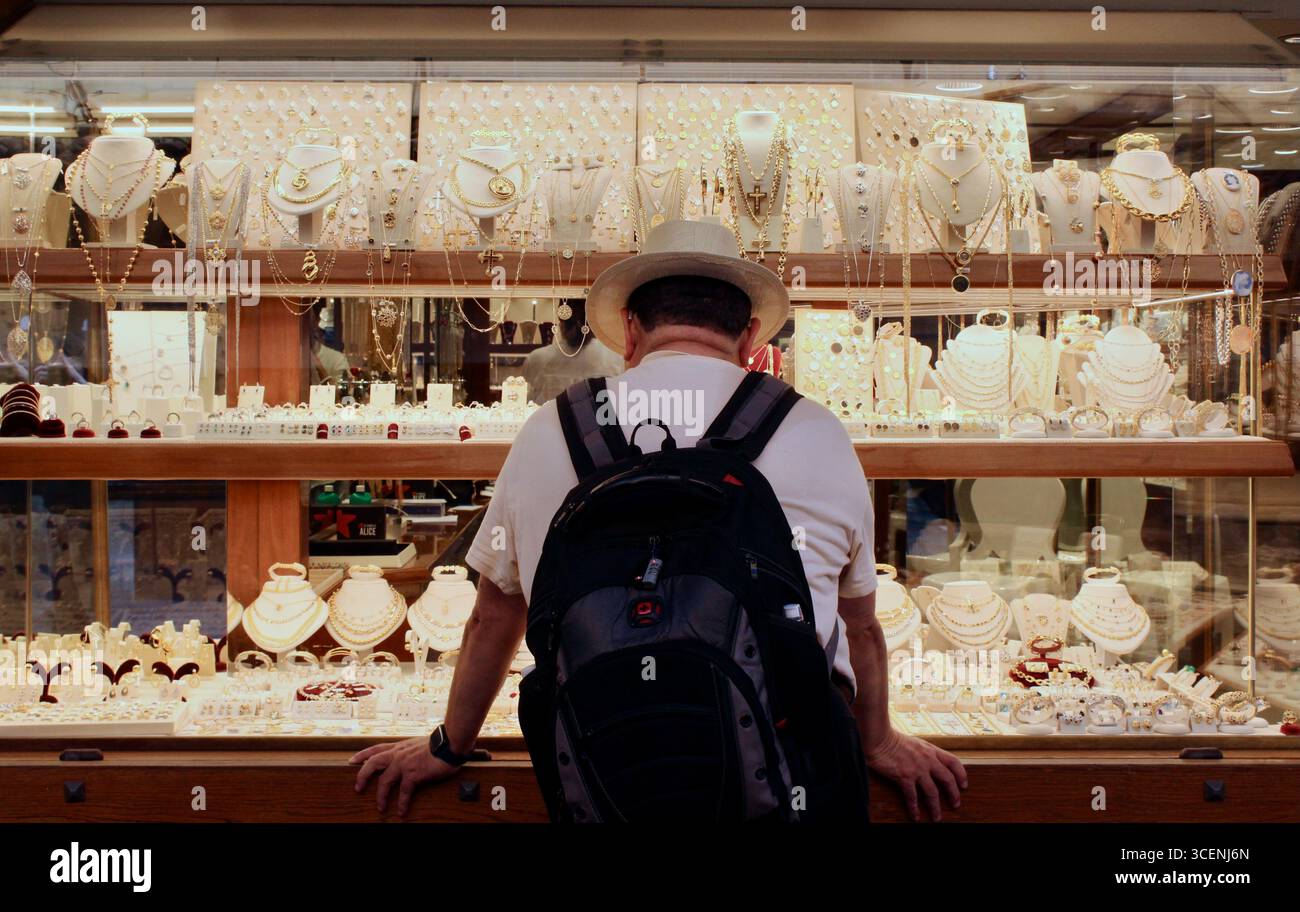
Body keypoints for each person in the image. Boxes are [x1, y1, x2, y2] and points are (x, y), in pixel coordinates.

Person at [352, 221, 967, 821]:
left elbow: (494, 614)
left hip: (611, 776)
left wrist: (450, 745)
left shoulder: (549, 432)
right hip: (788, 780)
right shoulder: (818, 431)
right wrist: (879, 738)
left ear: (629, 328)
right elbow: (860, 627)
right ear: (751, 336)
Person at [519, 298, 624, 404]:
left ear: (561, 321)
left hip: (549, 419)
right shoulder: (616, 358)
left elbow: (524, 404)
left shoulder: (537, 358)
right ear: (594, 318)